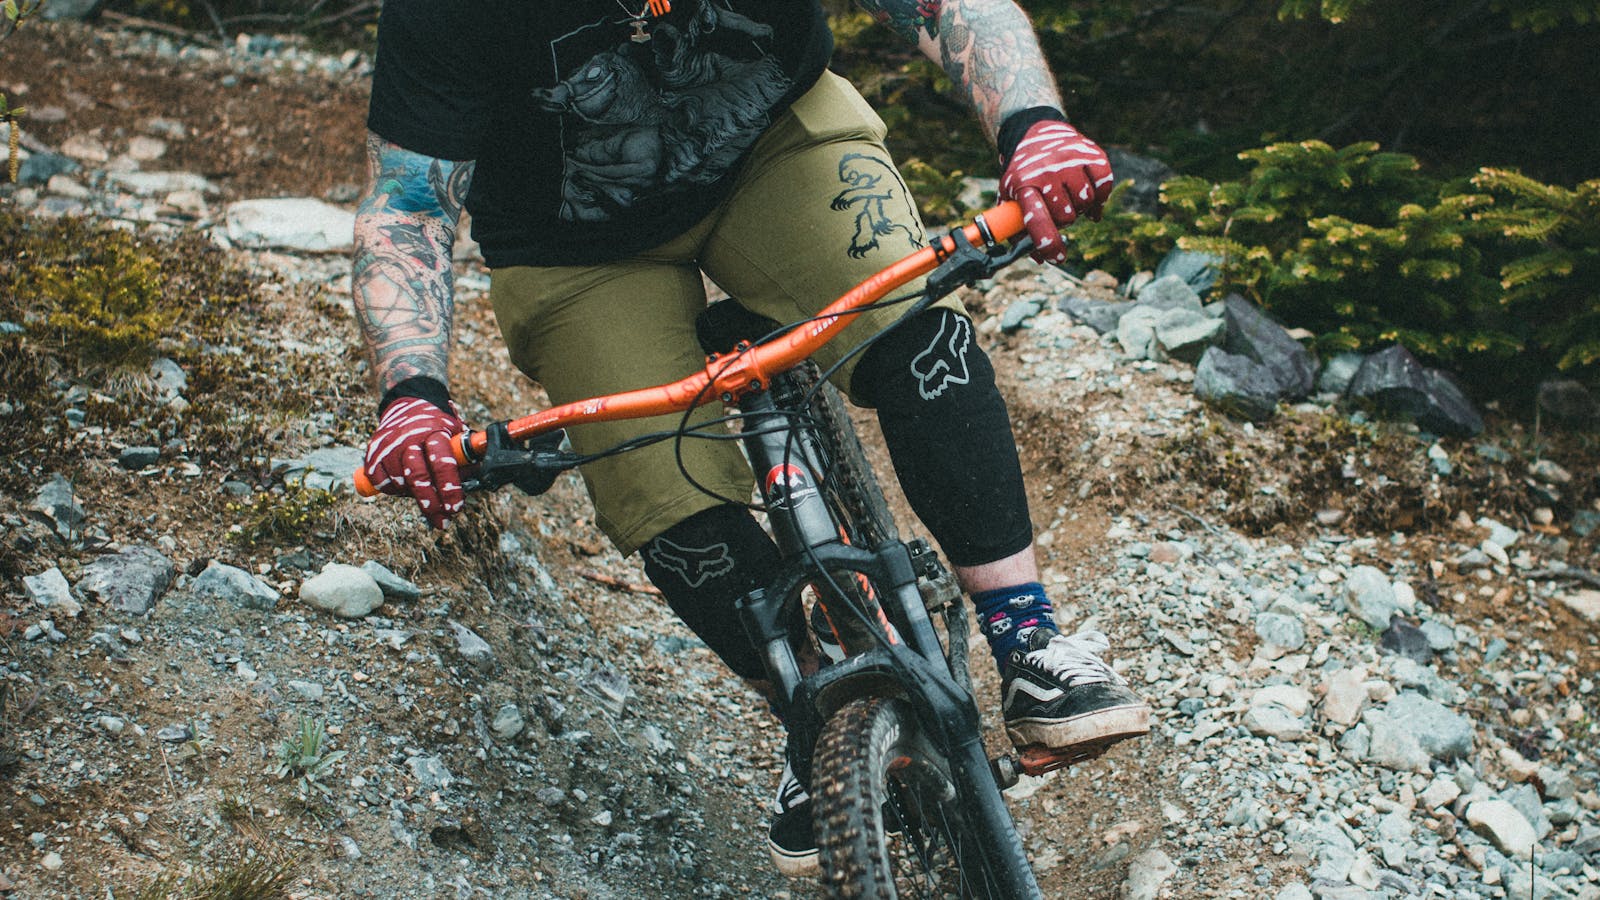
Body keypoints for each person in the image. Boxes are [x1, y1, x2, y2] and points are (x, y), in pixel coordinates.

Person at [353, 0, 1150, 877]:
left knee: (915, 332)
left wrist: (1033, 129)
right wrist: (414, 397)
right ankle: (817, 717)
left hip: (779, 147)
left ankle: (1028, 638)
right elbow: (408, 203)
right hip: (569, 245)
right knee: (668, 504)